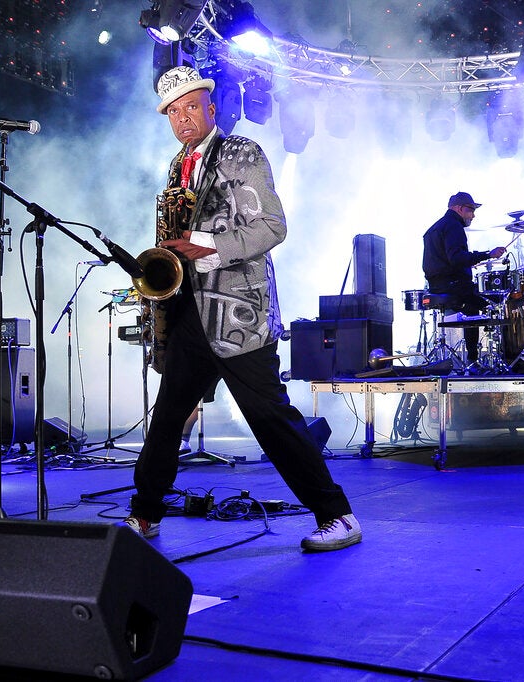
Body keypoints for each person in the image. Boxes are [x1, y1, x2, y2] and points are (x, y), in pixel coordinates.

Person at [125, 66, 361, 551]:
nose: (184, 118)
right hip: (190, 313)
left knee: (271, 420)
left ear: (211, 107)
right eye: (174, 111)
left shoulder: (242, 152)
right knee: (168, 418)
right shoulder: (178, 165)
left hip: (237, 316)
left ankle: (338, 516)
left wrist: (203, 245)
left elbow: (272, 227)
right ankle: (145, 514)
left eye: (192, 106)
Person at [422, 192, 506, 363]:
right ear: (459, 208)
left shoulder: (433, 229)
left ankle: (474, 357)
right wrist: (487, 255)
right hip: (454, 286)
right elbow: (457, 258)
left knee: (477, 300)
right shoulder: (453, 226)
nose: (473, 215)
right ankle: (478, 359)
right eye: (471, 210)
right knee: (496, 302)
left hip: (437, 286)